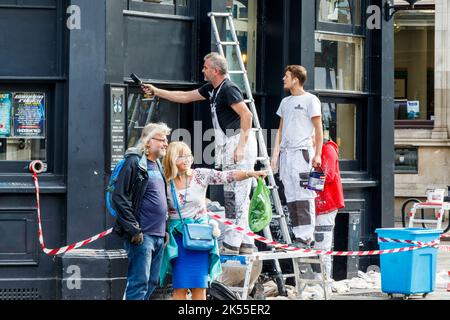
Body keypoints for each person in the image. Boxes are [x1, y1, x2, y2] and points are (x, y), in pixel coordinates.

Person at [142, 52, 258, 255]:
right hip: (230, 141)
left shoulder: (229, 88)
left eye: (205, 67)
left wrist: (240, 147)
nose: (202, 70)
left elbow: (246, 114)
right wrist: (157, 91)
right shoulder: (213, 89)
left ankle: (232, 241)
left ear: (215, 70)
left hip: (237, 140)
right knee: (238, 194)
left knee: (235, 194)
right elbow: (186, 96)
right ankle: (246, 240)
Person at [160, 141, 266, 300]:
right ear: (171, 159)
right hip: (179, 239)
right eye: (181, 156)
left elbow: (226, 176)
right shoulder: (165, 182)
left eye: (188, 155)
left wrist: (250, 173)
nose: (187, 159)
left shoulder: (200, 175)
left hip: (201, 238)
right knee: (180, 287)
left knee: (200, 285)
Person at [112, 122, 171, 300]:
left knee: (152, 281)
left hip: (159, 235)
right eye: (162, 139)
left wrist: (165, 230)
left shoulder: (158, 165)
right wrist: (134, 228)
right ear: (147, 142)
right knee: (139, 283)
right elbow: (119, 197)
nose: (166, 143)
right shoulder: (134, 162)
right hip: (142, 235)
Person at [271, 65, 324, 248]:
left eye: (286, 76)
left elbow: (318, 129)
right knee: (291, 193)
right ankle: (298, 235)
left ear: (295, 79)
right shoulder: (285, 102)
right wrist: (274, 156)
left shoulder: (311, 100)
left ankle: (306, 236)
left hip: (302, 152)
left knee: (304, 194)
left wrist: (318, 154)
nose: (283, 79)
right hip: (286, 153)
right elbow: (280, 130)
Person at [313, 135, 345, 279]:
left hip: (327, 204)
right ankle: (319, 280)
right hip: (319, 204)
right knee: (317, 245)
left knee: (322, 244)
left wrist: (306, 183)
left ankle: (324, 281)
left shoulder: (327, 149)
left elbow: (329, 175)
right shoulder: (320, 150)